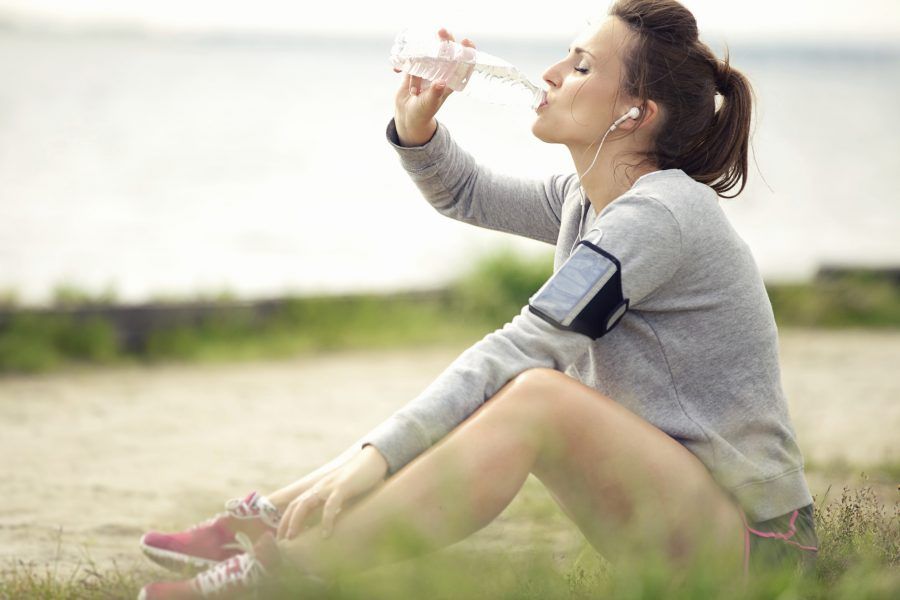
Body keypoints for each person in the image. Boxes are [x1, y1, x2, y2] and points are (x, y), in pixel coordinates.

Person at [137, 1, 819, 597]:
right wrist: (417, 130)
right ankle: (263, 523)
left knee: (534, 393)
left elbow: (529, 344)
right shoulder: (592, 200)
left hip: (757, 551)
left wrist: (379, 453)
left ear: (636, 113)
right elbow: (467, 193)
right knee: (520, 388)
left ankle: (280, 578)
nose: (550, 74)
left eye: (581, 67)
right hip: (678, 516)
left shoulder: (659, 218)